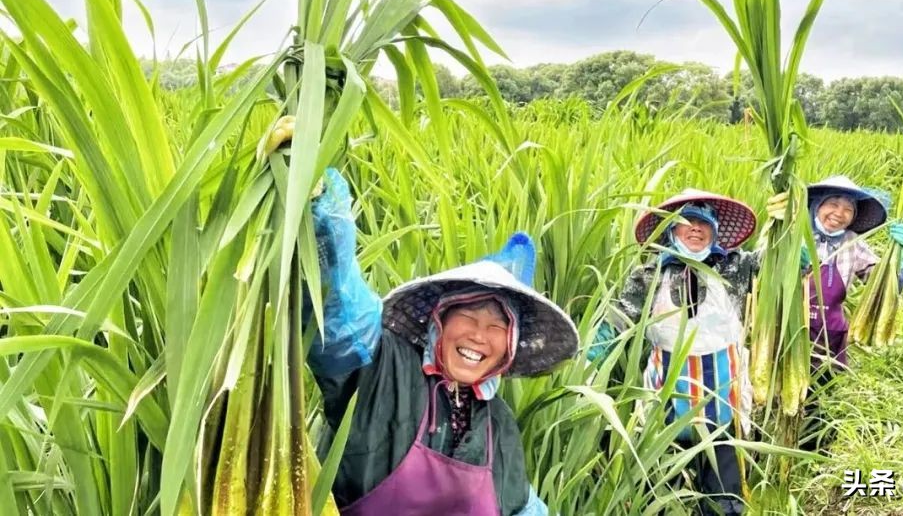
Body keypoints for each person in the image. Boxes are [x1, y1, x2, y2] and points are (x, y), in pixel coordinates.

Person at [265, 120, 577, 515]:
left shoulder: (499, 426)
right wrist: (315, 197)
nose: (481, 335)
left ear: (509, 349)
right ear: (439, 321)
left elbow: (519, 507)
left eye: (498, 326)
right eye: (469, 316)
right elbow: (337, 305)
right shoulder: (383, 368)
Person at [590, 188, 764, 516]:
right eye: (686, 221)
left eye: (704, 222)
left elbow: (776, 264)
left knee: (724, 495)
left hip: (723, 396)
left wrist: (789, 235)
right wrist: (591, 355)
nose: (695, 228)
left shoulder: (735, 267)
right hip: (667, 397)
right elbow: (618, 318)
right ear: (671, 231)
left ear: (715, 231)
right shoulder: (650, 274)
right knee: (664, 489)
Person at [798, 175, 903, 449]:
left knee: (822, 399)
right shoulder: (795, 233)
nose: (839, 213)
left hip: (830, 334)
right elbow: (761, 268)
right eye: (832, 204)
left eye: (848, 209)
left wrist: (897, 259)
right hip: (791, 330)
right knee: (784, 394)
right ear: (817, 204)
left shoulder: (853, 243)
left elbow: (880, 283)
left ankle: (813, 454)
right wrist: (789, 258)